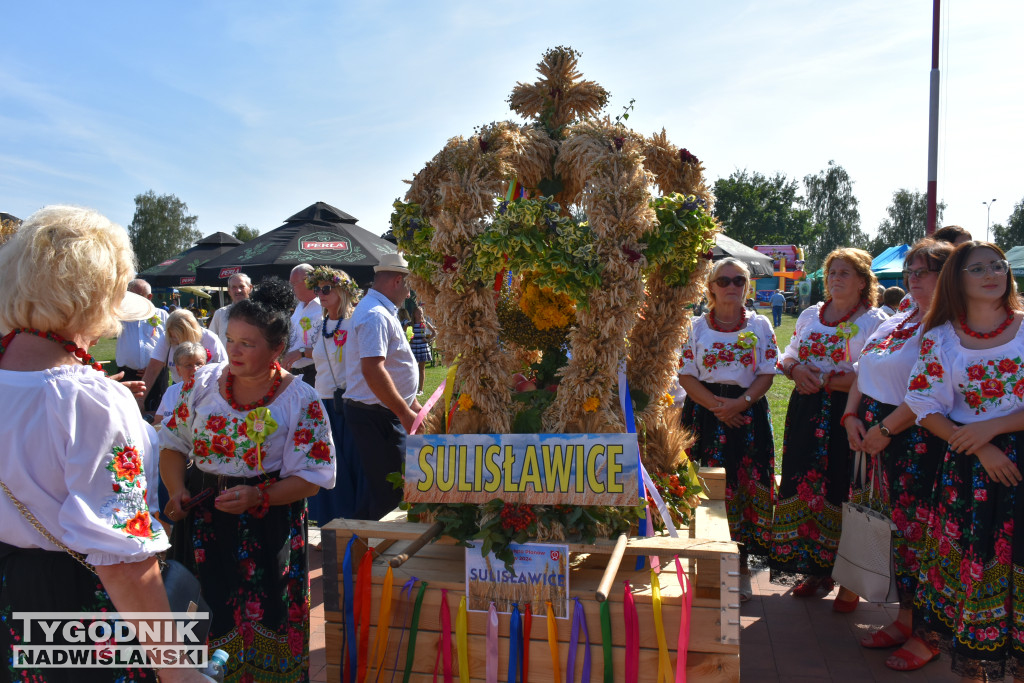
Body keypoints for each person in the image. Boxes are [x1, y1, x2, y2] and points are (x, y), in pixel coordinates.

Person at [0, 206, 204, 683]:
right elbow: (123, 560)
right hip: (81, 615)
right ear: (95, 297)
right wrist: (178, 671)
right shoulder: (88, 400)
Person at [159, 277, 335, 682]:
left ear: (277, 350)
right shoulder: (202, 385)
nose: (233, 351)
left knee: (268, 615)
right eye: (231, 339)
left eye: (247, 343)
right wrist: (176, 489)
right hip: (204, 521)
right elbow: (172, 443)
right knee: (205, 614)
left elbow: (313, 475)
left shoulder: (300, 399)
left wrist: (260, 494)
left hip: (265, 521)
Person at [901, 241, 1024, 678]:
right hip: (968, 466)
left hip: (1017, 459)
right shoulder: (941, 337)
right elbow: (922, 402)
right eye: (978, 269)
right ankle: (974, 671)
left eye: (998, 265)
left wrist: (993, 428)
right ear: (958, 279)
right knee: (971, 565)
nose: (993, 273)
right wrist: (976, 442)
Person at [841, 239, 953, 658]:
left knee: (919, 534)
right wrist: (850, 417)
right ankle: (906, 619)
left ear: (948, 277)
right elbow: (863, 369)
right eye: (911, 271)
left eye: (924, 271)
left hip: (917, 437)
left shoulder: (949, 324)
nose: (913, 279)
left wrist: (885, 431)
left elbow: (929, 393)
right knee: (896, 531)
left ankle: (928, 634)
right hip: (876, 429)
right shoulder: (903, 314)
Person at [771, 248, 887, 608]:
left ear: (863, 281)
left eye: (845, 273)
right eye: (831, 272)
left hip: (847, 412)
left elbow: (872, 371)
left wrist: (823, 379)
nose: (836, 279)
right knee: (805, 484)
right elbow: (788, 352)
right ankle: (815, 569)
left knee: (844, 486)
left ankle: (848, 580)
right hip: (806, 408)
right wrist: (794, 369)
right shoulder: (809, 315)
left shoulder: (875, 320)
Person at [679, 258, 779, 602]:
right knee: (706, 488)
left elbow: (767, 370)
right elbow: (686, 373)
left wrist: (740, 403)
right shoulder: (695, 327)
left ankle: (742, 569)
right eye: (724, 280)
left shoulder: (761, 324)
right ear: (710, 287)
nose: (732, 286)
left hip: (746, 414)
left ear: (747, 286)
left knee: (747, 488)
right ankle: (707, 565)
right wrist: (716, 407)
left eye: (739, 280)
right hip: (705, 414)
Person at [344, 252, 422, 520]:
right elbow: (373, 370)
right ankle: (375, 555)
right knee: (391, 490)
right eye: (409, 286)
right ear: (398, 281)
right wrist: (403, 411)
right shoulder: (376, 314)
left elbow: (388, 367)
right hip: (377, 415)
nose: (410, 293)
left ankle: (362, 548)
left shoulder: (379, 310)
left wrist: (411, 404)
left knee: (384, 487)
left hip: (380, 412)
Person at [305, 266, 370, 523]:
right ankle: (330, 522)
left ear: (342, 291)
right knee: (327, 464)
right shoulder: (320, 325)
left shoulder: (356, 323)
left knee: (351, 464)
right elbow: (319, 357)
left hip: (350, 402)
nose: (320, 294)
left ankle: (354, 520)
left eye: (326, 289)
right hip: (323, 403)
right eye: (317, 289)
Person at [138, 309, 226, 409]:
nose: (173, 340)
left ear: (189, 332)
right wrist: (140, 399)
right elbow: (153, 369)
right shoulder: (166, 338)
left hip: (208, 392)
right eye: (171, 336)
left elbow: (224, 371)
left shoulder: (211, 339)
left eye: (177, 337)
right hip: (179, 387)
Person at [116, 278, 169, 412]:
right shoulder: (120, 315)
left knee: (157, 411)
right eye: (130, 295)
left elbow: (172, 345)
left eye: (138, 296)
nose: (133, 300)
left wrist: (156, 366)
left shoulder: (162, 315)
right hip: (127, 373)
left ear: (149, 297)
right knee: (127, 412)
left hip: (157, 374)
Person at [282, 264, 322, 387]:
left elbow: (329, 350)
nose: (291, 288)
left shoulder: (324, 308)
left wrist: (301, 352)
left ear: (307, 281)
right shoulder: (299, 306)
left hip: (315, 373)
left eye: (293, 284)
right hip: (295, 373)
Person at [154, 341, 206, 423]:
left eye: (199, 364)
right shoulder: (171, 391)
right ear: (178, 370)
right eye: (188, 365)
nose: (195, 369)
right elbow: (158, 422)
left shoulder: (211, 392)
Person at [208, 272, 252, 346]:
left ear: (250, 288)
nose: (238, 290)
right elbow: (210, 341)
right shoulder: (220, 314)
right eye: (234, 287)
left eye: (241, 286)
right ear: (229, 291)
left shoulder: (259, 314)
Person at [409, 306, 436, 394]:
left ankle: (420, 389)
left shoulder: (425, 323)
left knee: (421, 369)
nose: (420, 314)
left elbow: (434, 333)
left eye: (421, 312)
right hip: (414, 348)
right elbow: (404, 332)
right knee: (413, 368)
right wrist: (409, 339)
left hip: (422, 347)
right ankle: (413, 388)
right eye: (418, 313)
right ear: (414, 314)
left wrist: (428, 340)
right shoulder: (411, 324)